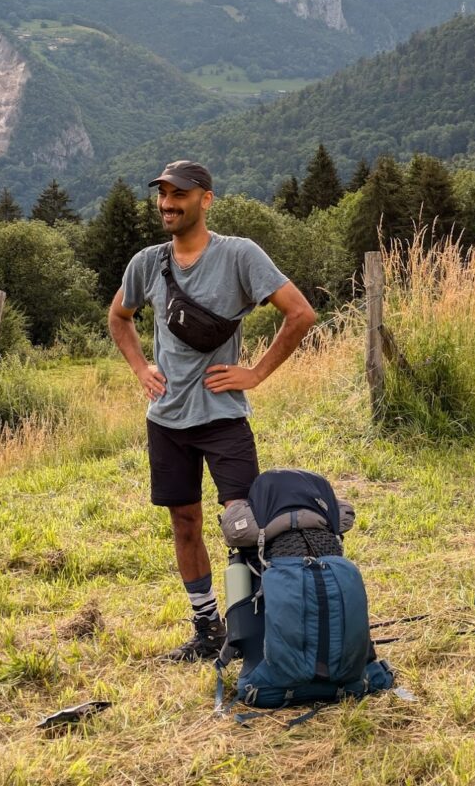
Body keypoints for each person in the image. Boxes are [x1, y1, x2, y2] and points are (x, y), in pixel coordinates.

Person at [108, 160, 315, 661]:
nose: (167, 204)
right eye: (161, 194)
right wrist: (140, 369)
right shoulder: (147, 263)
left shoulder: (239, 255)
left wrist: (256, 373)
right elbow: (120, 316)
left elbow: (301, 313)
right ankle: (208, 629)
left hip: (223, 418)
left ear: (206, 199)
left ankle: (261, 628)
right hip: (167, 421)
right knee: (184, 522)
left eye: (178, 194)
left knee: (244, 524)